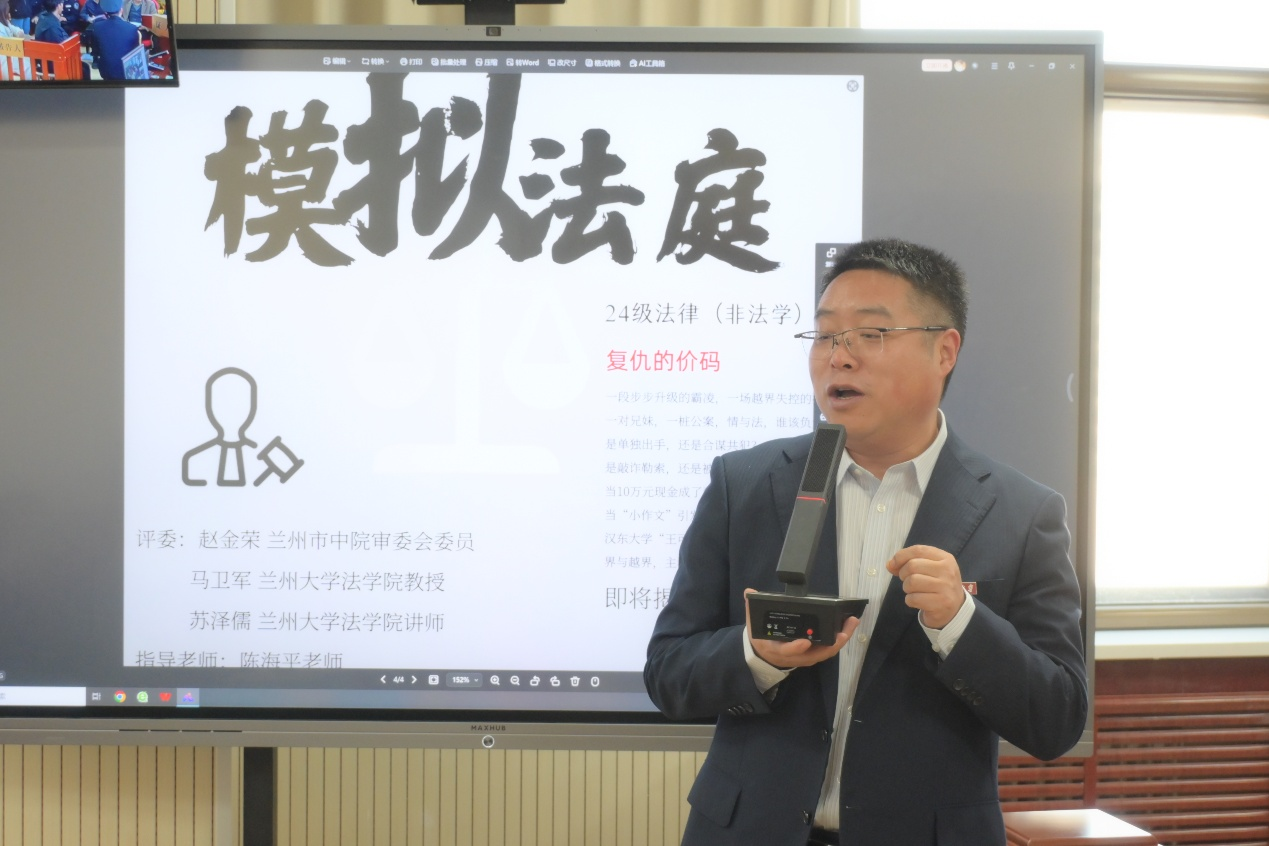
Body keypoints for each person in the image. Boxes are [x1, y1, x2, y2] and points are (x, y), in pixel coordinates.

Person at [644, 238, 1087, 846]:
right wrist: (757, 655)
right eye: (825, 335)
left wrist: (961, 622)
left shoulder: (1022, 512)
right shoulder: (743, 484)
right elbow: (668, 673)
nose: (839, 357)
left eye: (871, 334)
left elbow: (1057, 719)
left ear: (944, 350)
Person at [83, 0, 138, 80]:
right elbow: (135, 54)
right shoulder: (132, 28)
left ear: (106, 12)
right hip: (126, 72)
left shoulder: (97, 27)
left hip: (106, 72)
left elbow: (95, 52)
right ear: (121, 10)